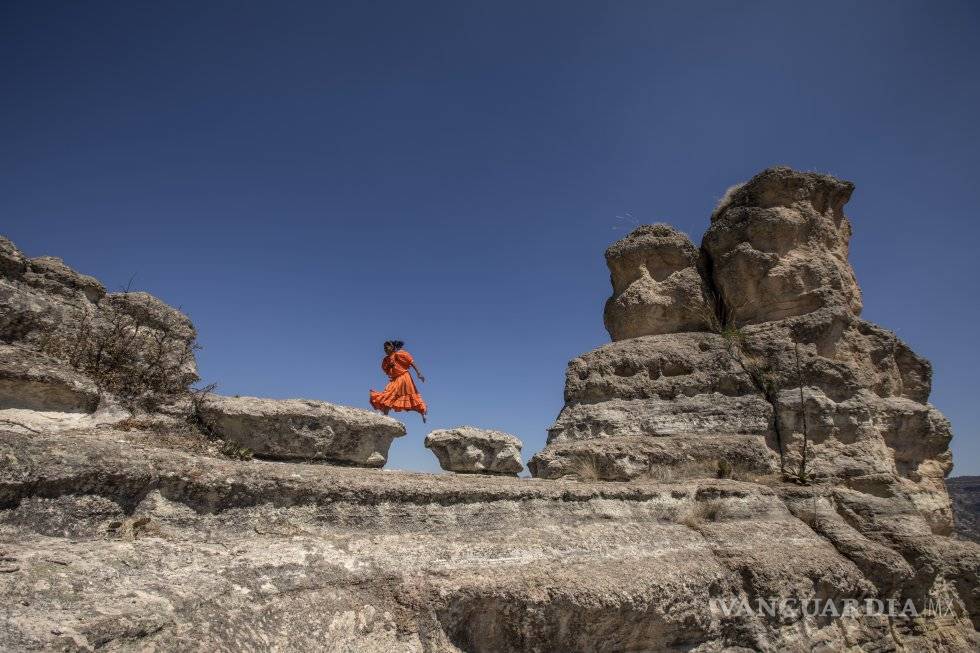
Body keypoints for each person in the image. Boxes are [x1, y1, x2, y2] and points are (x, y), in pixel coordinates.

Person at [369, 340, 428, 422]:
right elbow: (386, 370)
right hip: (395, 379)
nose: (385, 349)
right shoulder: (386, 360)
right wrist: (390, 366)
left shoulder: (399, 354)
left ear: (392, 347)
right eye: (384, 348)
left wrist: (419, 373)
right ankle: (385, 416)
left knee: (390, 394)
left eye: (387, 347)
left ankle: (423, 411)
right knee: (388, 396)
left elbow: (411, 362)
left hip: (404, 377)